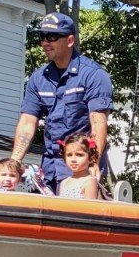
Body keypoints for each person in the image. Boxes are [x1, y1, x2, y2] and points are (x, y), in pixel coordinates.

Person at [11, 11, 112, 194]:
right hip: (49, 168)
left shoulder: (93, 75)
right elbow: (27, 122)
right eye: (42, 37)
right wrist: (14, 162)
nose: (44, 43)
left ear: (70, 40)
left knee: (77, 221)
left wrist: (93, 163)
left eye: (51, 37)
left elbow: (98, 122)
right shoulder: (38, 78)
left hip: (79, 169)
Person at [57, 133, 100, 200]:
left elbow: (90, 208)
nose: (73, 159)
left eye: (79, 155)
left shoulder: (89, 182)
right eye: (69, 155)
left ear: (91, 157)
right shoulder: (64, 182)